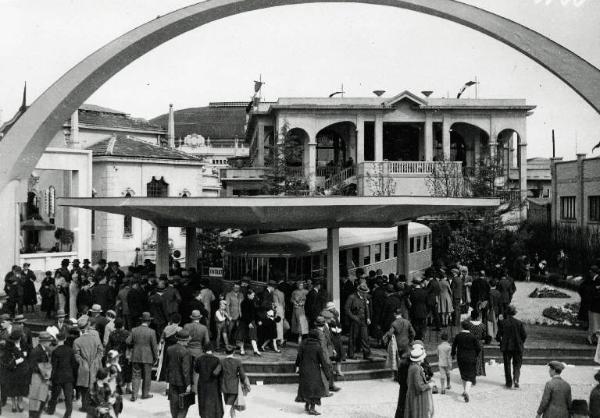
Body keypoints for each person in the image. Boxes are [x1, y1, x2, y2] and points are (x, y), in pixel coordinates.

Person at [295, 329, 332, 416]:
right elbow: (322, 361)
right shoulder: (317, 346)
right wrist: (327, 374)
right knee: (315, 390)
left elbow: (299, 357)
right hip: (314, 370)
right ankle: (312, 408)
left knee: (307, 387)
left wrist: (296, 366)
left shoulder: (303, 344)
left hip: (303, 369)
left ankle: (307, 405)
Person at [73, 315, 104, 412]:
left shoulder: (77, 341)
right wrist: (96, 361)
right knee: (95, 385)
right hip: (95, 365)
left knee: (84, 387)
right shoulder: (95, 338)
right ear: (88, 326)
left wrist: (83, 362)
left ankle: (85, 407)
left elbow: (76, 356)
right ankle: (95, 404)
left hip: (84, 367)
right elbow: (101, 351)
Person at [127, 311, 158, 401]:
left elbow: (128, 341)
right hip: (148, 356)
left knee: (135, 375)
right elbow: (154, 346)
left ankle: (134, 395)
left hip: (136, 355)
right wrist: (156, 357)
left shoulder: (134, 330)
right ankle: (145, 394)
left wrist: (135, 345)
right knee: (147, 376)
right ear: (149, 321)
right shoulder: (152, 332)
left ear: (142, 320)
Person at [47, 332, 78, 418]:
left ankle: (51, 410)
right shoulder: (70, 350)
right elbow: (74, 365)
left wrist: (51, 378)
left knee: (54, 395)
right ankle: (67, 414)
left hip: (58, 376)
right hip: (68, 376)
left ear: (57, 339)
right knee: (68, 397)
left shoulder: (55, 351)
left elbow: (54, 366)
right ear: (65, 339)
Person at [497, 304, 527, 389]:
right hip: (517, 346)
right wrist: (521, 342)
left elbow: (498, 336)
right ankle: (516, 379)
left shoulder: (503, 323)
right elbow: (524, 335)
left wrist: (501, 341)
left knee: (507, 365)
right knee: (517, 364)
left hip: (506, 347)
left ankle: (509, 382)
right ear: (514, 313)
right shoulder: (519, 323)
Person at [0, 330, 29, 413]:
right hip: (12, 370)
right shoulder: (8, 346)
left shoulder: (23, 344)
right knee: (12, 389)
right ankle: (13, 404)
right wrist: (16, 361)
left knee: (21, 388)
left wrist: (25, 354)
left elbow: (28, 351)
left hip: (22, 370)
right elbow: (6, 359)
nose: (16, 340)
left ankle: (19, 403)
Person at [451, 320, 480, 402]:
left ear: (462, 326)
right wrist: (476, 354)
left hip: (460, 357)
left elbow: (454, 346)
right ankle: (467, 391)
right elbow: (478, 348)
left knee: (463, 374)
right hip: (471, 357)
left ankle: (464, 391)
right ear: (470, 327)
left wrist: (453, 354)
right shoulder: (472, 336)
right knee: (470, 375)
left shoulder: (458, 336)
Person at [166, 330, 193, 418]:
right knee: (184, 404)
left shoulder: (169, 349)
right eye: (187, 340)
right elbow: (186, 370)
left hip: (172, 380)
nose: (188, 341)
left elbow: (167, 365)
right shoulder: (186, 352)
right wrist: (188, 384)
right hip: (182, 382)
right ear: (184, 341)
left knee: (173, 403)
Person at [28, 331, 54, 418]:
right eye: (49, 341)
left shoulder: (44, 349)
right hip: (37, 378)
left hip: (42, 378)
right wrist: (44, 371)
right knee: (36, 399)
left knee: (43, 398)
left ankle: (36, 415)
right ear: (44, 341)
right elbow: (32, 365)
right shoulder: (36, 351)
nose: (50, 343)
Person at [404, 345, 435, 418]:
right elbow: (419, 386)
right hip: (417, 397)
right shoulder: (416, 368)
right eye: (423, 356)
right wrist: (429, 385)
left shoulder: (413, 366)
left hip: (413, 395)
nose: (424, 358)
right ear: (419, 359)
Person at [184, 309, 211, 393]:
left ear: (192, 318)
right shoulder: (203, 328)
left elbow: (183, 338)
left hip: (187, 350)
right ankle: (194, 389)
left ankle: (186, 387)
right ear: (199, 318)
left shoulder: (186, 326)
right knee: (196, 371)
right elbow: (207, 342)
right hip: (198, 351)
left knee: (186, 370)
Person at [194, 343, 224, 418]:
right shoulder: (216, 360)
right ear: (212, 350)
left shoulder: (199, 359)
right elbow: (220, 373)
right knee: (215, 402)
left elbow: (196, 370)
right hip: (214, 385)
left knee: (203, 401)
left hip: (202, 384)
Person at [221, 345, 250, 418]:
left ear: (225, 352)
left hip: (224, 386)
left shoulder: (221, 361)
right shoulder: (237, 361)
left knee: (229, 404)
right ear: (233, 352)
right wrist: (244, 383)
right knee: (229, 406)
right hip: (234, 387)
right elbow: (242, 375)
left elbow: (216, 372)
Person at [345, 283, 372, 360]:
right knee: (353, 337)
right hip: (355, 320)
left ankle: (367, 354)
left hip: (363, 320)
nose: (365, 294)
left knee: (365, 337)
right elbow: (347, 309)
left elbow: (366, 308)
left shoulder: (364, 297)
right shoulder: (352, 297)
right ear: (359, 291)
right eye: (363, 292)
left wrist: (368, 317)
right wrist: (354, 317)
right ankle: (351, 354)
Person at [237, 289, 260, 356]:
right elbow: (244, 314)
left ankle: (255, 350)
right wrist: (249, 322)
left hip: (251, 321)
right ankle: (242, 350)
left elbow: (254, 313)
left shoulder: (252, 302)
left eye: (254, 295)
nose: (253, 296)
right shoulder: (244, 303)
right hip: (244, 321)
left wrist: (257, 320)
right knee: (242, 336)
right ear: (248, 295)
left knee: (253, 335)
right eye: (252, 295)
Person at [468, 310, 487, 377]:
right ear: (478, 316)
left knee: (470, 358)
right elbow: (484, 336)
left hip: (470, 342)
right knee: (478, 357)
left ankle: (470, 371)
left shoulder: (468, 324)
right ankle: (478, 371)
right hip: (479, 343)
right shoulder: (482, 325)